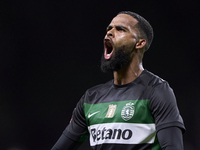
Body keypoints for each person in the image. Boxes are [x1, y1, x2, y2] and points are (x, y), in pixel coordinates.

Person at [51, 11, 185, 150]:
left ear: (139, 43)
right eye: (109, 29)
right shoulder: (90, 98)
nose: (109, 32)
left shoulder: (156, 90)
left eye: (120, 29)